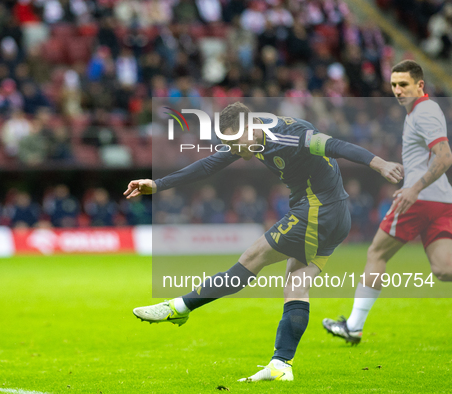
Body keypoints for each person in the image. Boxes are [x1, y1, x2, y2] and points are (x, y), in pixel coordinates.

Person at [124, 102, 403, 382]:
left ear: (252, 126)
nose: (233, 149)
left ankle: (180, 307)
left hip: (319, 210)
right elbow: (209, 164)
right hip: (336, 215)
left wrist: (380, 164)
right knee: (296, 286)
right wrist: (158, 184)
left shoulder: (291, 135)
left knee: (250, 260)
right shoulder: (251, 141)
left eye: (234, 142)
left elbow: (336, 146)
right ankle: (281, 365)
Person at [323, 60, 452, 345]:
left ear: (420, 85)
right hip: (441, 199)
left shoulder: (424, 112)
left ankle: (354, 327)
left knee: (376, 254)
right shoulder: (421, 111)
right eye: (394, 85)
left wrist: (413, 188)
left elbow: (445, 157)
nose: (397, 90)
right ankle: (353, 326)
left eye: (403, 84)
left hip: (418, 199)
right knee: (444, 269)